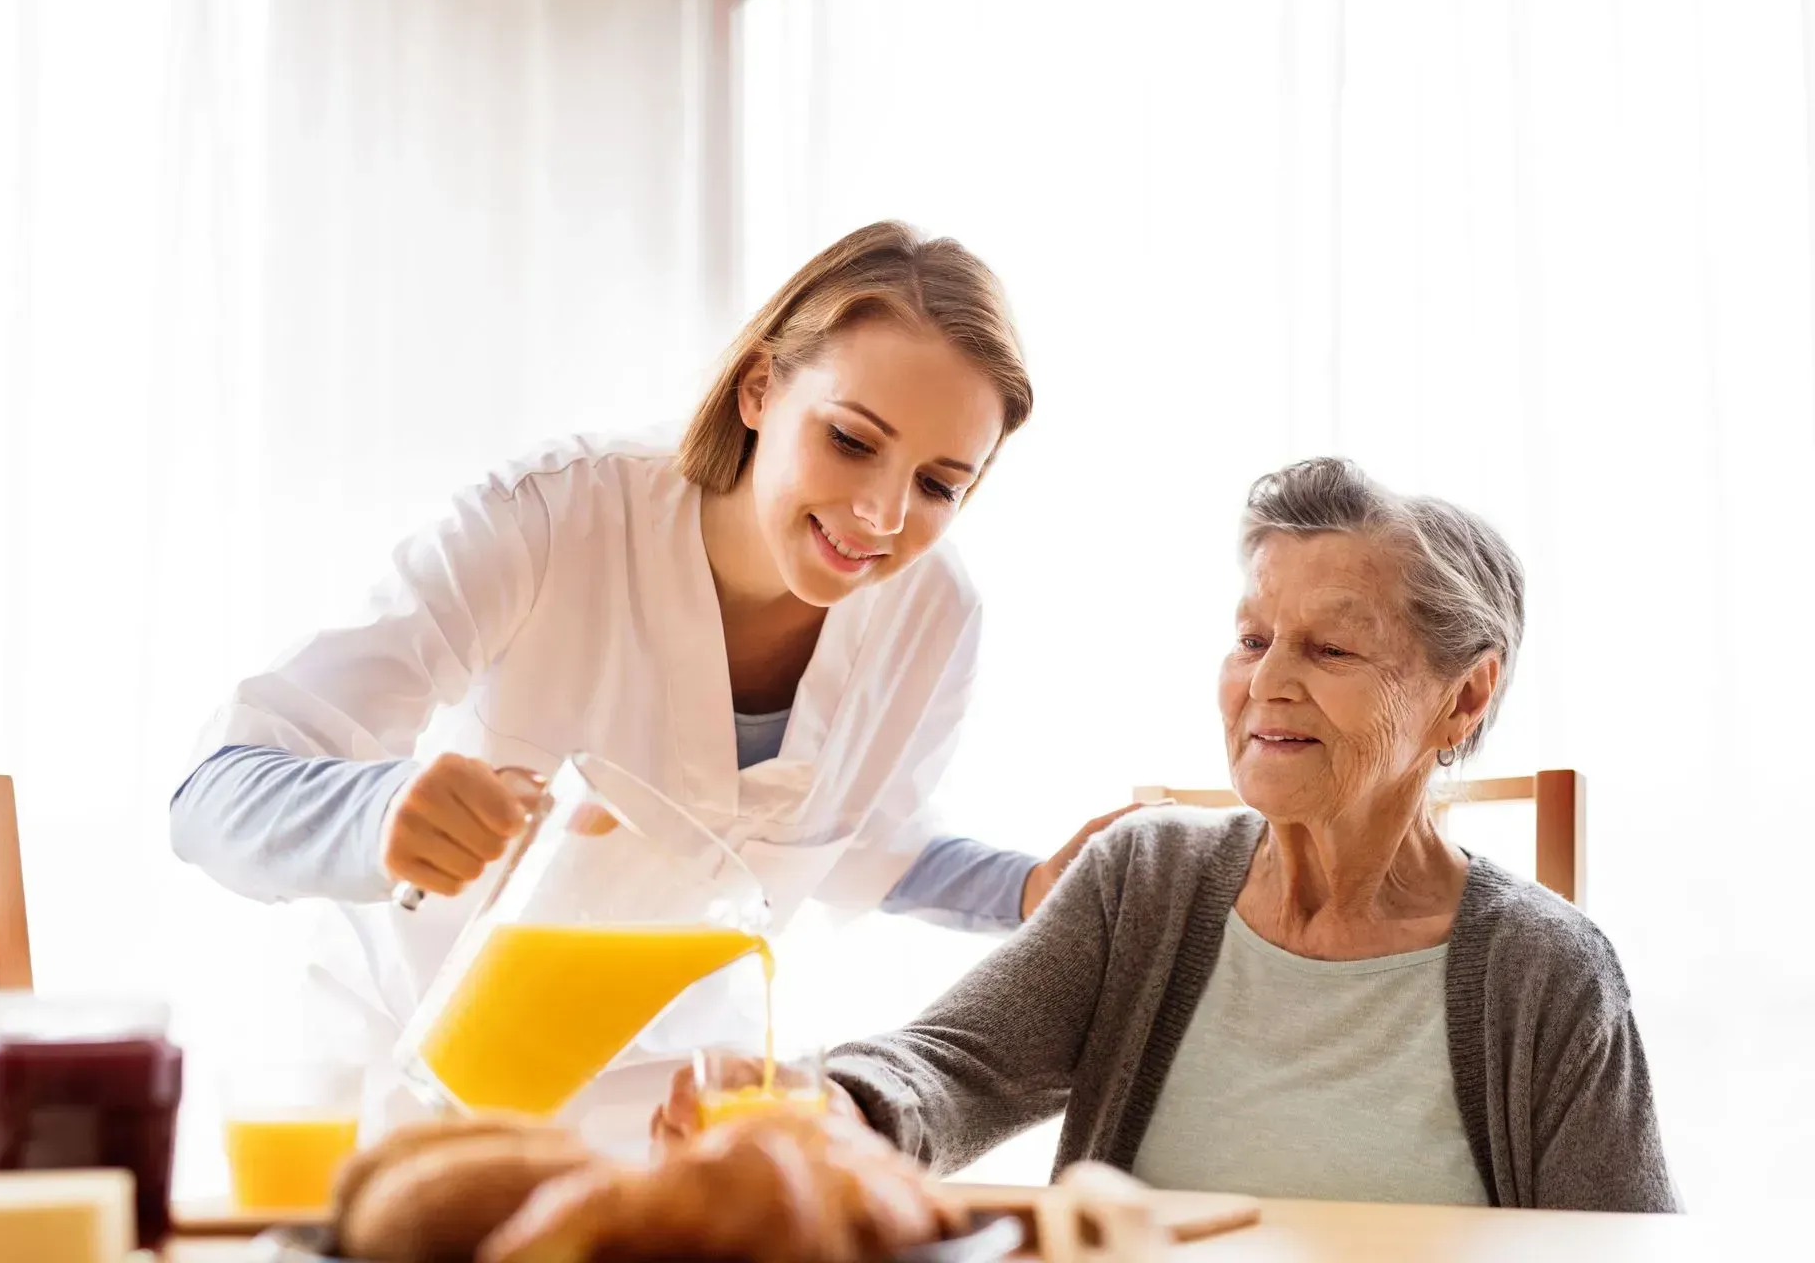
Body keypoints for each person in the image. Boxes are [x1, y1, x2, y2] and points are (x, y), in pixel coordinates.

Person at [170, 220, 1104, 1146]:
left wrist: (1031, 889)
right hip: (422, 1104)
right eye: (853, 442)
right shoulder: (550, 517)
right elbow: (210, 794)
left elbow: (871, 845)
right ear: (758, 389)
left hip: (673, 1126)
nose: (881, 515)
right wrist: (378, 815)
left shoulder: (933, 615)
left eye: (940, 485)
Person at [656, 457, 1677, 1212]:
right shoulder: (1145, 874)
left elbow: (1636, 1247)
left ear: (1466, 697)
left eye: (1330, 646)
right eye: (1251, 637)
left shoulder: (1550, 971)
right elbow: (952, 1067)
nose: (1268, 680)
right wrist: (821, 1104)